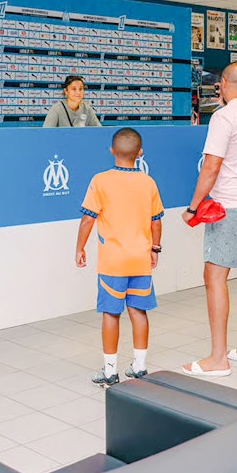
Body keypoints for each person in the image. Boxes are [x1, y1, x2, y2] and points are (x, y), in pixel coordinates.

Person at [181, 62, 237, 377]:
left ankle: (218, 358)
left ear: (224, 84)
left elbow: (211, 167)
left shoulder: (223, 116)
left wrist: (193, 207)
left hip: (230, 207)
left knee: (214, 277)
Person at [76, 128, 164, 387]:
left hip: (113, 262)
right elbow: (156, 221)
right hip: (140, 260)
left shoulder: (100, 181)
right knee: (138, 311)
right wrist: (155, 249)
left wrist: (80, 248)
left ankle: (110, 371)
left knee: (110, 314)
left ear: (112, 150)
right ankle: (140, 366)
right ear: (140, 153)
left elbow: (87, 219)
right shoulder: (148, 182)